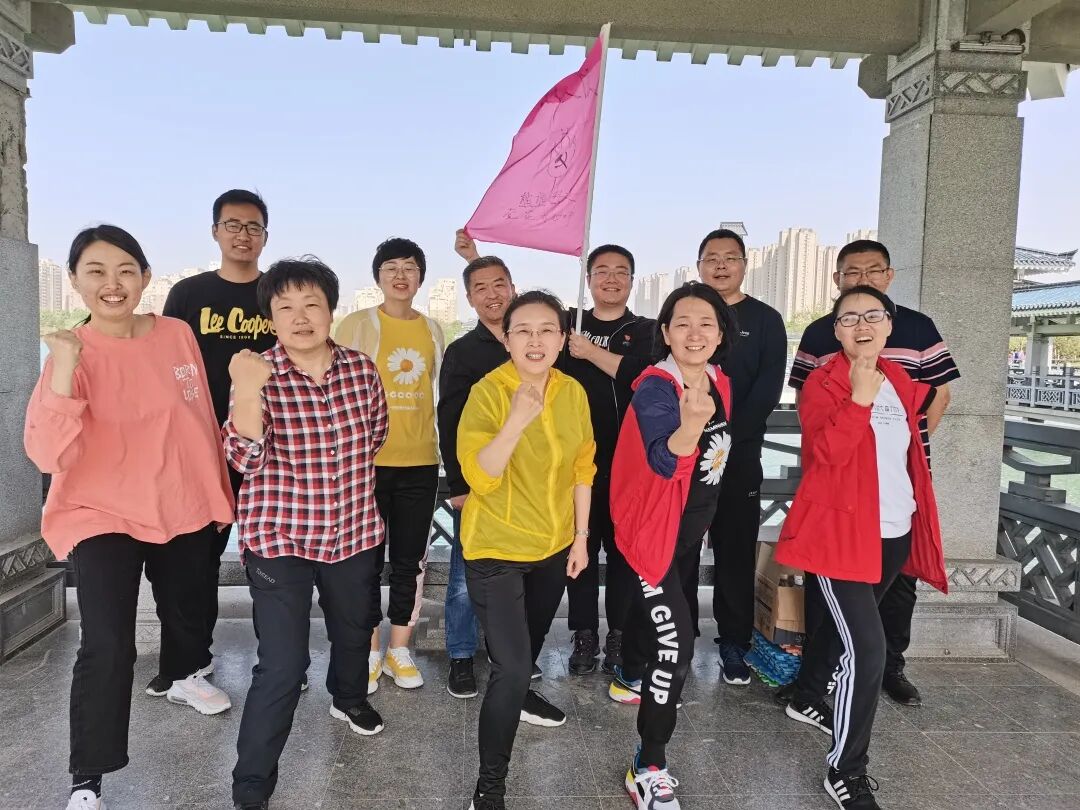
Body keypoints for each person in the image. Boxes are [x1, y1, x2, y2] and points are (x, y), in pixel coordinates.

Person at [24, 226, 235, 810]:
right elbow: (47, 454)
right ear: (74, 280)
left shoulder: (175, 333)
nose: (112, 283)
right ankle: (87, 778)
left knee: (188, 609)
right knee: (108, 643)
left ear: (144, 277)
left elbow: (199, 418)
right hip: (100, 509)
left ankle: (184, 676)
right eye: (95, 271)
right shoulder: (69, 350)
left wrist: (218, 495)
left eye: (125, 270)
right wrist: (64, 364)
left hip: (179, 499)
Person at [775, 286, 947, 810]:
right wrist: (859, 399)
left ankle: (807, 697)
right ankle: (846, 771)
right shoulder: (824, 383)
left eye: (873, 315)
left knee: (849, 631)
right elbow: (825, 455)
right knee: (867, 650)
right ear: (836, 331)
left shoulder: (900, 379)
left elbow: (908, 452)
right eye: (848, 318)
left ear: (889, 324)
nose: (862, 325)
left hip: (895, 530)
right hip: (842, 536)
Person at [228, 258, 389, 810]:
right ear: (270, 317)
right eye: (286, 308)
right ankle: (251, 784)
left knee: (354, 628)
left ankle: (348, 698)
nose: (300, 318)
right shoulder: (258, 374)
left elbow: (376, 436)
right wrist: (247, 389)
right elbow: (245, 458)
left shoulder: (361, 369)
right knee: (282, 664)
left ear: (331, 310)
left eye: (311, 305)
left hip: (353, 531)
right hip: (281, 539)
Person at [786, 239, 959, 707]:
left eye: (873, 271)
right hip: (843, 506)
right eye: (851, 273)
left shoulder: (910, 347)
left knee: (895, 593)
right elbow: (817, 430)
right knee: (843, 616)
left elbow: (937, 398)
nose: (862, 324)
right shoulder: (822, 349)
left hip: (896, 506)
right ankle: (820, 687)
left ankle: (880, 671)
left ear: (889, 278)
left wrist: (900, 450)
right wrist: (860, 408)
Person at [457, 290, 594, 810]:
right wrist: (516, 419)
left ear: (561, 339)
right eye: (524, 331)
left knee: (526, 653)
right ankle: (489, 787)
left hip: (553, 548)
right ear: (507, 339)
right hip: (496, 548)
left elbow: (582, 467)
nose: (535, 341)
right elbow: (480, 476)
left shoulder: (573, 392)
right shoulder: (489, 393)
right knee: (512, 668)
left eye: (546, 330)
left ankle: (520, 697)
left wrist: (580, 537)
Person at [609, 282, 737, 810]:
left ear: (721, 334)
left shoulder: (718, 381)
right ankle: (648, 764)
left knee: (656, 624)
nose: (694, 333)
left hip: (687, 533)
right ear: (665, 333)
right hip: (651, 535)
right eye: (681, 323)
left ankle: (627, 674)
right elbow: (665, 459)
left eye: (706, 323)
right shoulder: (656, 388)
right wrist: (691, 424)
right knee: (677, 646)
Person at [157, 188, 277, 697]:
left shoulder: (278, 291)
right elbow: (164, 365)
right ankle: (187, 661)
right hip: (200, 446)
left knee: (273, 556)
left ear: (266, 235)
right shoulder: (189, 294)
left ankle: (280, 661)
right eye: (233, 225)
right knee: (193, 557)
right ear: (215, 232)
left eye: (253, 227)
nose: (243, 235)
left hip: (267, 448)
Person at [335, 238, 445, 692]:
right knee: (363, 561)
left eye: (410, 268)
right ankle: (368, 649)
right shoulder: (356, 325)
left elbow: (434, 390)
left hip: (421, 461)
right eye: (391, 268)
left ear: (421, 278)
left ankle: (399, 648)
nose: (401, 276)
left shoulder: (434, 330)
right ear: (377, 276)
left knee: (409, 561)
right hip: (367, 463)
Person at [696, 228, 787, 685]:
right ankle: (673, 635)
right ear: (698, 266)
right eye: (711, 258)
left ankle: (734, 641)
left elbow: (768, 390)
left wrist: (726, 439)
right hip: (685, 455)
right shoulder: (686, 313)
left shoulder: (766, 320)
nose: (720, 265)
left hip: (740, 455)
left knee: (734, 552)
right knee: (677, 549)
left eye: (730, 257)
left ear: (744, 265)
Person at [559, 243, 655, 675]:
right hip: (574, 463)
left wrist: (591, 352)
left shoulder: (647, 330)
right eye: (602, 270)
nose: (611, 278)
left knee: (622, 555)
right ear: (589, 279)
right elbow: (522, 321)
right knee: (578, 548)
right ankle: (583, 633)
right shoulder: (569, 324)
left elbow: (642, 376)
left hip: (628, 464)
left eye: (621, 271)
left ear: (632, 280)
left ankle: (618, 633)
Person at [438, 237, 515, 698]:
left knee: (520, 570)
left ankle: (511, 653)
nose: (492, 294)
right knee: (466, 574)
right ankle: (462, 655)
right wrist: (459, 485)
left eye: (499, 284)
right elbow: (449, 421)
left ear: (513, 288)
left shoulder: (535, 341)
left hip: (529, 482)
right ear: (469, 300)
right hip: (479, 483)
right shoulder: (464, 352)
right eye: (480, 288)